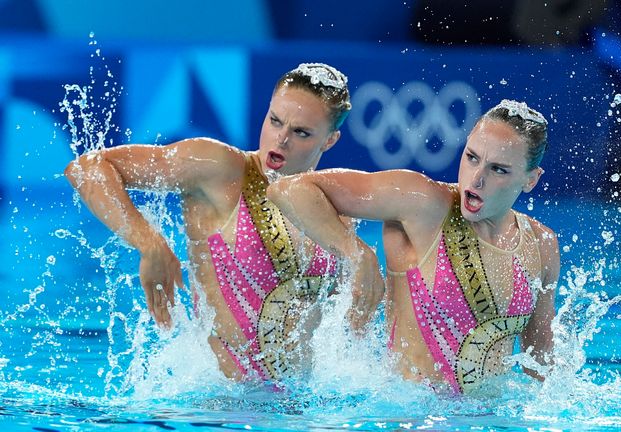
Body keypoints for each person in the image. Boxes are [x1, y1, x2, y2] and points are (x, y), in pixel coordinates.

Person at [64, 63, 384, 383]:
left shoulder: (335, 211)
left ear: (329, 140)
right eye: (274, 121)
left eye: (301, 132)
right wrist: (149, 242)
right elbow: (87, 168)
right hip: (218, 406)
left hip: (297, 409)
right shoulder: (221, 170)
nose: (281, 139)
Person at [268, 99, 560, 394]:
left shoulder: (540, 244)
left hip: (490, 421)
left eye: (498, 169)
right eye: (472, 158)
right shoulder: (423, 204)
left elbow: (541, 367)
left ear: (530, 180)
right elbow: (289, 190)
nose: (477, 178)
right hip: (410, 418)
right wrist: (355, 252)